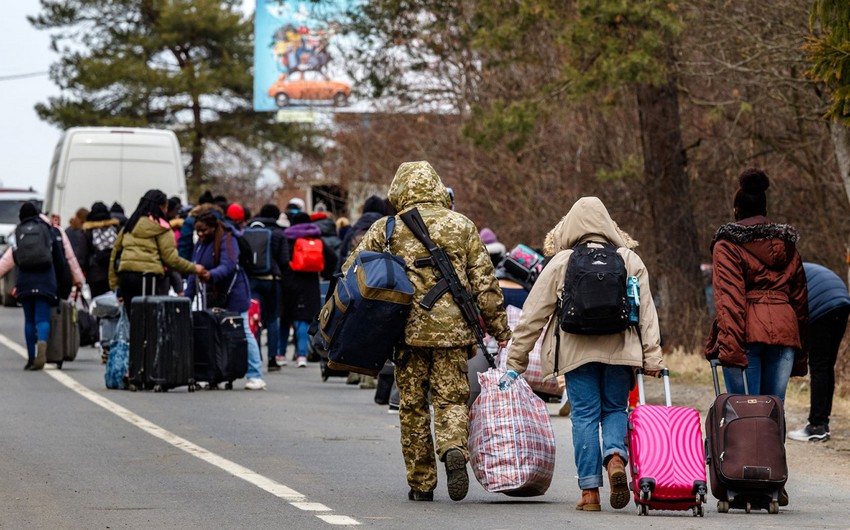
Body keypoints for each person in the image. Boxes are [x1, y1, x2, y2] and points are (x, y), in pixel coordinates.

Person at [341, 161, 511, 502]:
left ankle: (421, 482)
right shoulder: (461, 225)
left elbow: (352, 271)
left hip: (403, 332)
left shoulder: (386, 228)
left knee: (413, 406)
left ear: (399, 189)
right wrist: (499, 328)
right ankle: (453, 448)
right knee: (451, 399)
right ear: (436, 187)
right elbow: (485, 284)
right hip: (452, 334)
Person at [502, 197, 663, 512]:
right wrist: (652, 357)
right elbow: (647, 313)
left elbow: (533, 315)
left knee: (585, 416)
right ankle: (615, 457)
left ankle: (590, 493)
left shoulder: (562, 262)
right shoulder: (629, 259)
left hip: (576, 351)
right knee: (615, 409)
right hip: (621, 350)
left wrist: (516, 361)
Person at [704, 168, 808, 403]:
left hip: (746, 334)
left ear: (737, 211)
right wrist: (801, 351)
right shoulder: (789, 246)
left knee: (745, 412)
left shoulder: (728, 245)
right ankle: (775, 441)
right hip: (785, 332)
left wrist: (730, 349)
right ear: (764, 210)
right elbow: (800, 301)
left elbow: (729, 300)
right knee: (773, 409)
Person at [185, 212, 267, 390]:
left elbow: (229, 265)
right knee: (212, 333)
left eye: (203, 230)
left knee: (243, 330)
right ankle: (215, 373)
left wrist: (210, 275)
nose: (199, 234)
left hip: (234, 292)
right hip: (213, 293)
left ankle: (255, 375)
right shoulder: (201, 244)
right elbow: (194, 270)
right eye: (197, 230)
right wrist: (186, 298)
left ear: (213, 227)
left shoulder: (228, 239)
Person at [108, 190, 203, 312]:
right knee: (150, 322)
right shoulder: (162, 227)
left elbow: (115, 255)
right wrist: (194, 268)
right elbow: (171, 259)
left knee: (134, 322)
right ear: (162, 207)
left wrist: (115, 286)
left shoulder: (130, 225)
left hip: (125, 277)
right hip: (148, 278)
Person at [788, 262, 850, 442]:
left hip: (822, 307)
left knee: (818, 366)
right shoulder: (800, 267)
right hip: (842, 302)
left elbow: (792, 312)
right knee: (826, 366)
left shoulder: (784, 273)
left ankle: (815, 426)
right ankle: (822, 423)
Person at [8, 203, 68, 370]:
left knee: (29, 320)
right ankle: (42, 342)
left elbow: (15, 256)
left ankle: (31, 358)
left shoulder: (18, 231)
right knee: (42, 318)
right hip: (45, 279)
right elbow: (59, 259)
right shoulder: (46, 229)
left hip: (25, 280)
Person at [281, 212, 337, 367]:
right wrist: (324, 273)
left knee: (289, 318)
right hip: (311, 281)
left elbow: (282, 259)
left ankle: (281, 354)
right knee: (303, 319)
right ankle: (301, 355)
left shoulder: (288, 238)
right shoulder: (316, 237)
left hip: (290, 280)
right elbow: (332, 257)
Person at [245, 204, 291, 373]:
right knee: (272, 318)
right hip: (272, 280)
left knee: (254, 318)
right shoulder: (279, 233)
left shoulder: (248, 232)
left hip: (252, 280)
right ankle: (273, 358)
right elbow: (285, 260)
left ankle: (256, 356)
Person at [82, 201, 121, 298]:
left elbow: (84, 254)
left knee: (98, 306)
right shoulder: (116, 229)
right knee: (113, 305)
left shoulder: (88, 231)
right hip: (113, 273)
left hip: (95, 275)